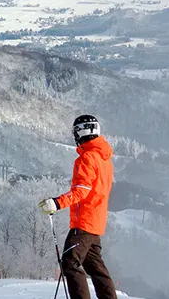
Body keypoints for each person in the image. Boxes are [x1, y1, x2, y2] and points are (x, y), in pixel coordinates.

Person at [39, 115, 117, 299]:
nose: (74, 136)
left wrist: (56, 202)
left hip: (84, 222)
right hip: (96, 221)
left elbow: (81, 191)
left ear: (84, 131)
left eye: (76, 131)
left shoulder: (87, 158)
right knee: (95, 267)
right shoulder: (104, 159)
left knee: (69, 262)